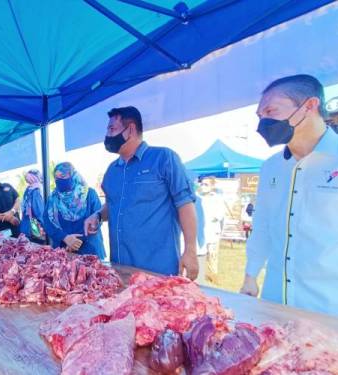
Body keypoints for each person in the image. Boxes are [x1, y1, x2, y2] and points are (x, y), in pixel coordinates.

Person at [240, 74, 338, 323]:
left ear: (309, 106)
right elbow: (263, 226)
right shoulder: (271, 167)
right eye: (259, 116)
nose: (263, 122)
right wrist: (250, 275)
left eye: (270, 110)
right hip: (276, 309)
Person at [84, 106, 199, 279]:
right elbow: (112, 205)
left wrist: (190, 250)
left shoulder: (164, 158)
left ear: (130, 129)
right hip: (121, 270)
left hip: (158, 272)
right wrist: (98, 216)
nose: (107, 135)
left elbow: (185, 204)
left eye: (112, 129)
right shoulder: (112, 171)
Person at [44, 163, 105, 258]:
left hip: (90, 251)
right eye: (56, 178)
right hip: (64, 252)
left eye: (63, 176)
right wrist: (65, 238)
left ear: (73, 175)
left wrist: (75, 241)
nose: (58, 180)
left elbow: (97, 219)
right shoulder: (53, 199)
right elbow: (47, 223)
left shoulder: (89, 194)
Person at [197, 177, 226, 284]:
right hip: (200, 232)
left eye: (206, 184)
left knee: (213, 256)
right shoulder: (198, 198)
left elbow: (220, 215)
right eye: (202, 184)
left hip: (212, 231)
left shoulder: (217, 198)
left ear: (212, 186)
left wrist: (212, 218)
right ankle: (200, 275)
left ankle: (213, 276)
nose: (203, 186)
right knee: (201, 254)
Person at [20, 169, 46, 243]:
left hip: (26, 226)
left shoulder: (28, 190)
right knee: (37, 248)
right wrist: (45, 226)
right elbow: (39, 212)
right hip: (34, 226)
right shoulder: (36, 191)